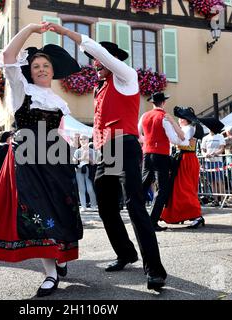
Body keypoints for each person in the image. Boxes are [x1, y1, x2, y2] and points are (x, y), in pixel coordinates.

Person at [46, 22, 167, 291]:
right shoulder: (100, 88)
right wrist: (92, 148)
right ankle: (125, 252)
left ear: (109, 62)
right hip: (107, 150)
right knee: (105, 206)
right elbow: (100, 125)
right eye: (95, 63)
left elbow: (97, 51)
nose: (95, 65)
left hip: (125, 145)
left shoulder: (126, 77)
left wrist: (65, 32)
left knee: (135, 206)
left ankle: (155, 270)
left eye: (99, 62)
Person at [0, 23, 83, 297]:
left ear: (53, 70)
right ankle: (49, 273)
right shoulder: (22, 90)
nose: (42, 69)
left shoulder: (59, 102)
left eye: (46, 65)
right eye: (36, 66)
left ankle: (60, 254)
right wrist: (32, 28)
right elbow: (9, 57)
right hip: (28, 157)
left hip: (56, 159)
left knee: (62, 208)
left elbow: (60, 132)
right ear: (29, 71)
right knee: (39, 211)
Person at [139, 92, 190, 231]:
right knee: (162, 190)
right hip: (160, 155)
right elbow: (173, 139)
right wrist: (183, 141)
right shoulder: (164, 117)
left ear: (152, 103)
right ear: (164, 102)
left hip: (147, 153)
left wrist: (146, 142)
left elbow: (139, 133)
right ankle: (152, 221)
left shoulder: (144, 116)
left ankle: (138, 217)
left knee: (143, 186)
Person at [160, 107, 204, 229]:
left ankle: (197, 215)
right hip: (183, 158)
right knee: (179, 188)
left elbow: (181, 140)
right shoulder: (187, 128)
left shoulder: (189, 128)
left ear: (186, 119)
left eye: (181, 118)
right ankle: (180, 215)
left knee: (185, 187)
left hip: (187, 159)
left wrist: (172, 126)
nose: (179, 119)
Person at [73, 134, 97, 211]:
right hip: (79, 170)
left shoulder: (92, 151)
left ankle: (93, 205)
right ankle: (83, 206)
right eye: (81, 139)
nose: (82, 141)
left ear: (88, 140)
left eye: (84, 139)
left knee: (90, 188)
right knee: (81, 189)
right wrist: (82, 158)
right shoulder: (77, 151)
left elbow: (94, 163)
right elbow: (74, 161)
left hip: (89, 170)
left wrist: (88, 158)